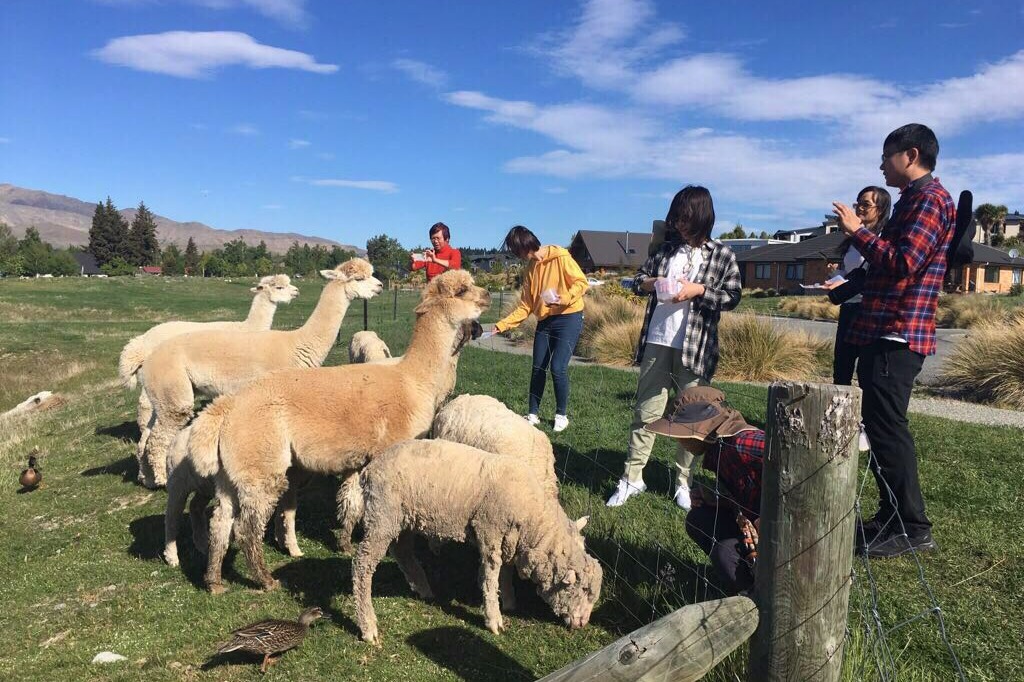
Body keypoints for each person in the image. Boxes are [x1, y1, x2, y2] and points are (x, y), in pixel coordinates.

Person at [832, 123, 955, 558]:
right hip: (883, 332)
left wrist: (857, 232)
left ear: (911, 155)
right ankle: (892, 515)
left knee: (888, 429)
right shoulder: (913, 202)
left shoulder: (930, 201)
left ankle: (912, 525)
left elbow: (905, 262)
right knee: (882, 429)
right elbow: (889, 264)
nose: (881, 165)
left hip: (898, 333)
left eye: (886, 156)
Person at [606, 186, 742, 511]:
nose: (679, 224)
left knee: (693, 418)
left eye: (685, 217)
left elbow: (733, 296)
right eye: (676, 217)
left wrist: (699, 290)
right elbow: (636, 281)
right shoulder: (666, 250)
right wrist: (651, 283)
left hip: (695, 347)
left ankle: (684, 482)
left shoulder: (722, 255)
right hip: (658, 340)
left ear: (701, 217)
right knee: (646, 411)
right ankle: (631, 477)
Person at [645, 386, 764, 594]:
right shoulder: (718, 451)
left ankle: (757, 601)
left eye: (682, 433)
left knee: (723, 552)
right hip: (754, 524)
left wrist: (773, 517)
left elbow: (796, 462)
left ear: (699, 428)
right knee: (698, 519)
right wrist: (719, 499)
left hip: (787, 530)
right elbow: (748, 493)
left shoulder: (742, 444)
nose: (679, 441)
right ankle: (752, 588)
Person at [494, 225, 588, 433]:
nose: (517, 256)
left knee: (558, 367)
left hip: (569, 316)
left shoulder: (560, 257)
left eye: (516, 250)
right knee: (538, 367)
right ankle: (533, 414)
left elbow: (582, 283)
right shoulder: (530, 269)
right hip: (545, 320)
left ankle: (561, 415)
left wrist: (564, 298)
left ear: (525, 245)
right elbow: (526, 305)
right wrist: (501, 325)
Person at [828, 186, 892, 385]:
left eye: (866, 204)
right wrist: (834, 276)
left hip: (869, 310)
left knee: (866, 371)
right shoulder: (852, 240)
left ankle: (864, 414)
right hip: (848, 307)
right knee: (841, 366)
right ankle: (838, 414)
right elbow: (851, 274)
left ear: (880, 210)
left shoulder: (883, 239)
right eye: (858, 204)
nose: (860, 209)